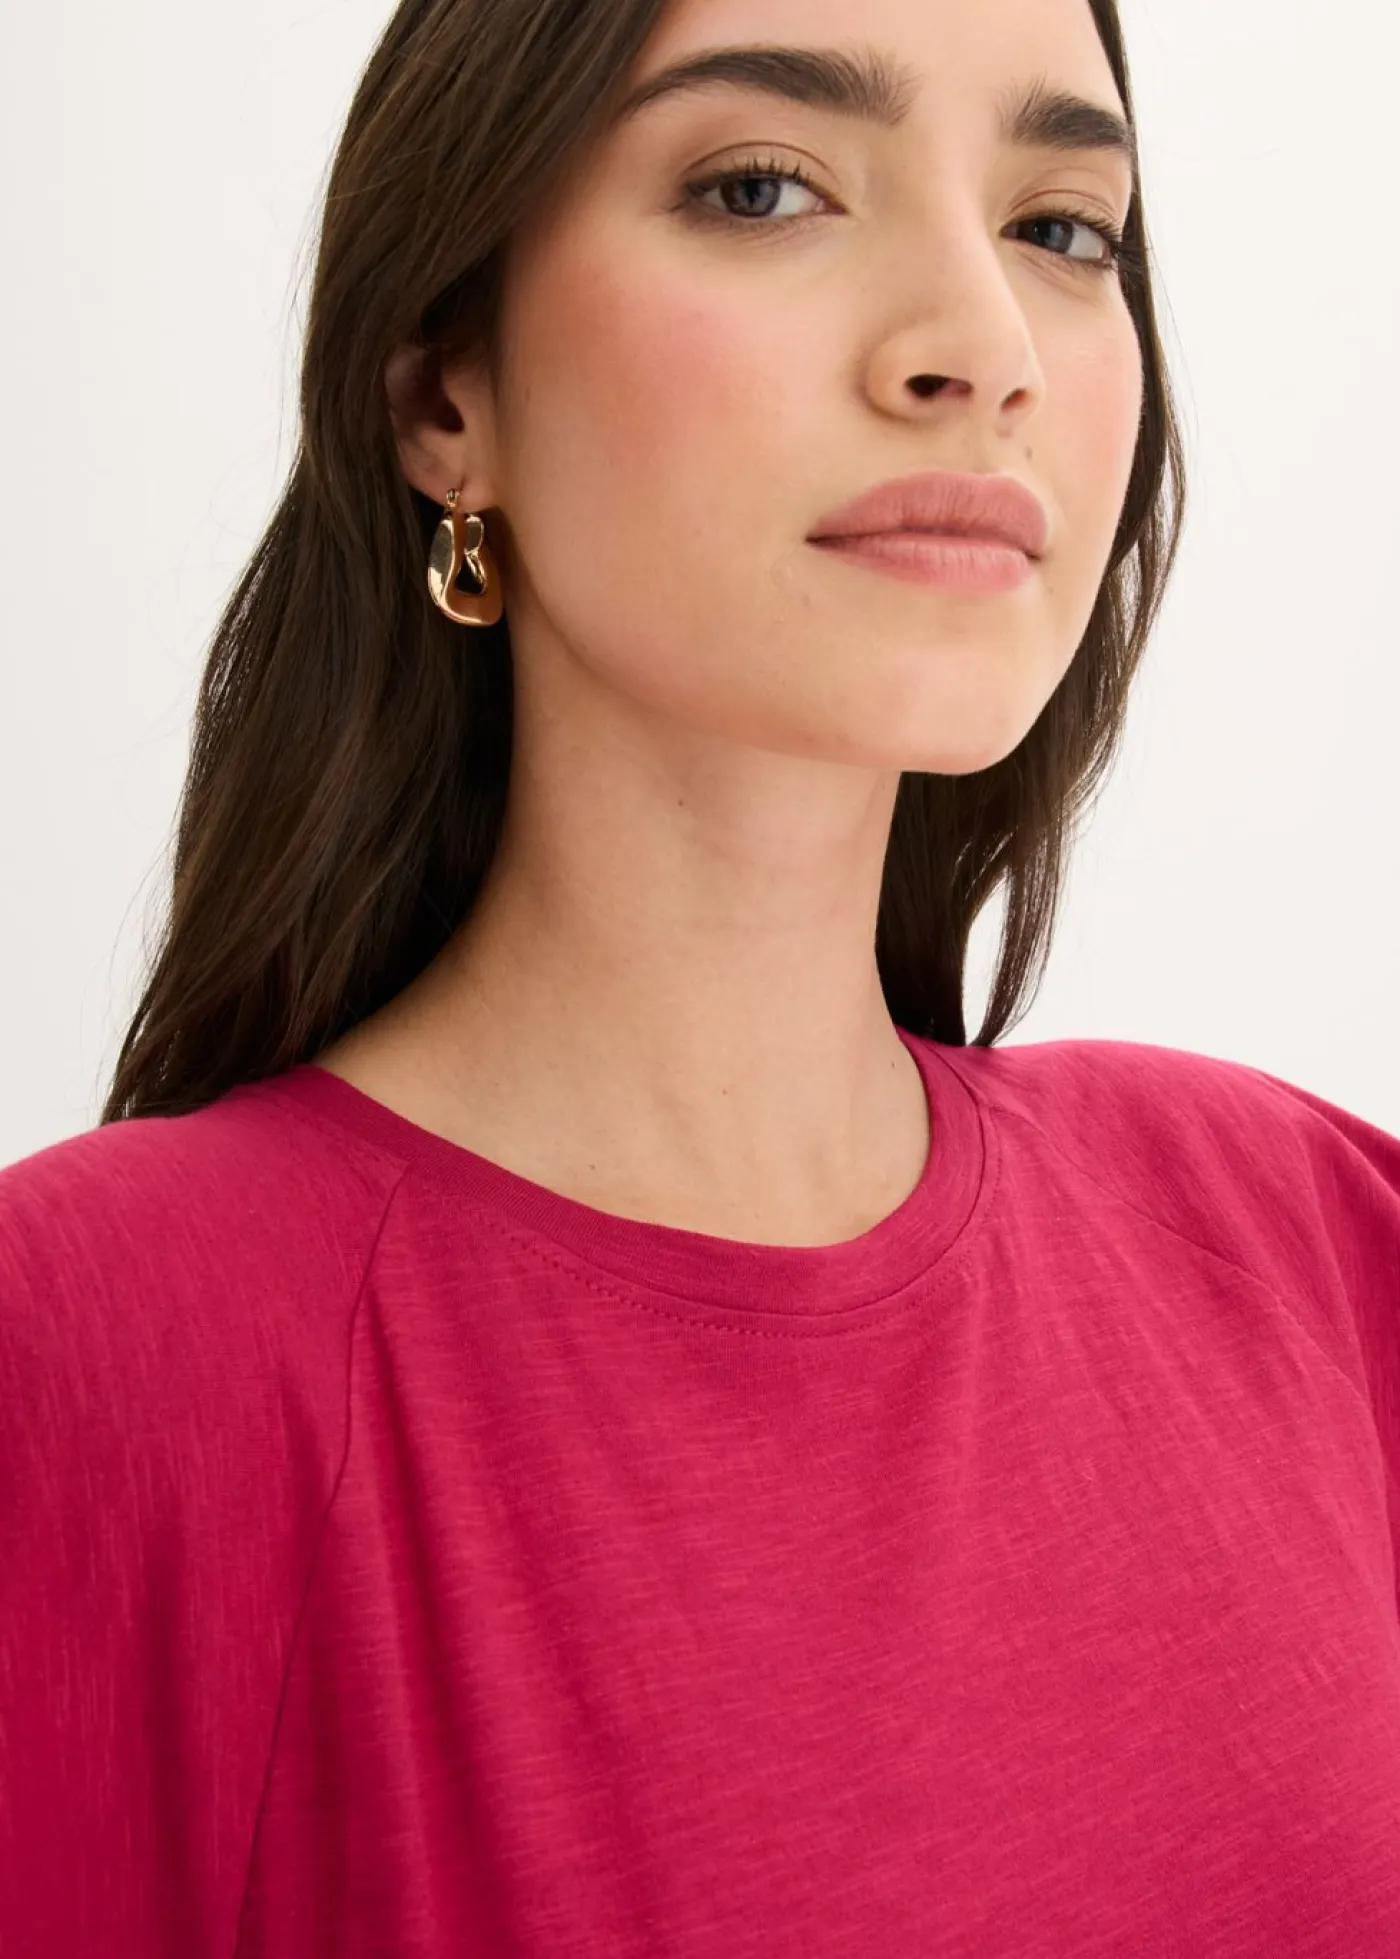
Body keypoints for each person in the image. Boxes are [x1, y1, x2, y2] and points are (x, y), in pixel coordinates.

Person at [3, 0, 1399, 1949]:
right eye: (762, 188)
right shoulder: (91, 1362)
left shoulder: (1317, 1244)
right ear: (443, 390)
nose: (981, 345)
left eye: (1063, 228)